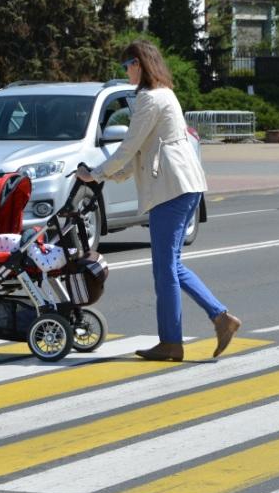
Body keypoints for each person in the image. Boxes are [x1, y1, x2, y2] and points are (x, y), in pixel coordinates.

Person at [76, 41, 240, 362]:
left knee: (164, 270)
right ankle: (221, 319)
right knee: (172, 265)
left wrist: (95, 174)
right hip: (183, 184)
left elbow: (128, 146)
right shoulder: (165, 93)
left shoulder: (150, 99)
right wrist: (109, 175)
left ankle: (171, 342)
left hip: (171, 188)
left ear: (139, 63)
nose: (125, 71)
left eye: (127, 64)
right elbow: (138, 154)